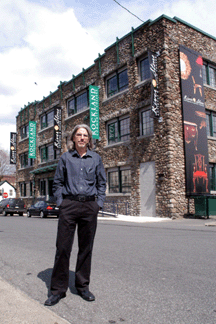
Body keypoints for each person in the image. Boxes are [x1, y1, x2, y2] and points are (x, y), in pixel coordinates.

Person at [44, 124, 106, 306]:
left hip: (89, 206)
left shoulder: (96, 159)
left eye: (85, 135)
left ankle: (82, 287)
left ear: (89, 139)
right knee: (63, 248)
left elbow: (102, 183)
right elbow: (57, 183)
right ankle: (57, 290)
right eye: (78, 134)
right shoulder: (65, 158)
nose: (81, 138)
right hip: (69, 205)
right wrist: (62, 203)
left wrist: (98, 204)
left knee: (86, 248)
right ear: (73, 138)